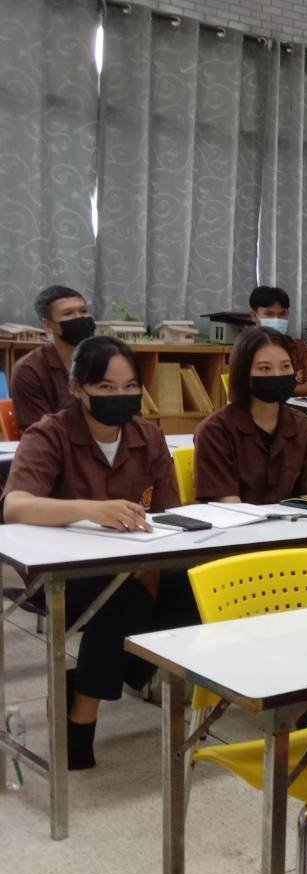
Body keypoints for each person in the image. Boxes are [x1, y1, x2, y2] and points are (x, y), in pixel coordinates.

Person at [1, 336, 199, 770]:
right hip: (59, 575)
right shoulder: (50, 433)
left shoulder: (147, 435)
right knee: (125, 596)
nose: (120, 396)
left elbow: (170, 514)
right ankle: (82, 715)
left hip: (135, 563)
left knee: (194, 587)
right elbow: (15, 506)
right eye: (106, 388)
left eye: (130, 386)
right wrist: (89, 509)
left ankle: (112, 675)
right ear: (77, 388)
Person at [193, 327, 307, 504]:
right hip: (237, 521)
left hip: (294, 522)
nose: (277, 375)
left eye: (285, 366)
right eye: (264, 368)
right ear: (244, 373)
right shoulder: (215, 431)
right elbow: (230, 508)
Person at [12, 285, 93, 431]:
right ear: (48, 325)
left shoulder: (105, 359)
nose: (79, 317)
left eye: (83, 311)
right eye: (68, 313)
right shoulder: (29, 370)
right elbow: (39, 432)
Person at [247, 285, 307, 398]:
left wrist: (279, 389)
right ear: (254, 316)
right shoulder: (246, 347)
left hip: (296, 408)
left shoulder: (299, 347)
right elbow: (247, 389)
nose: (276, 320)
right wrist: (293, 389)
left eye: (282, 314)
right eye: (269, 314)